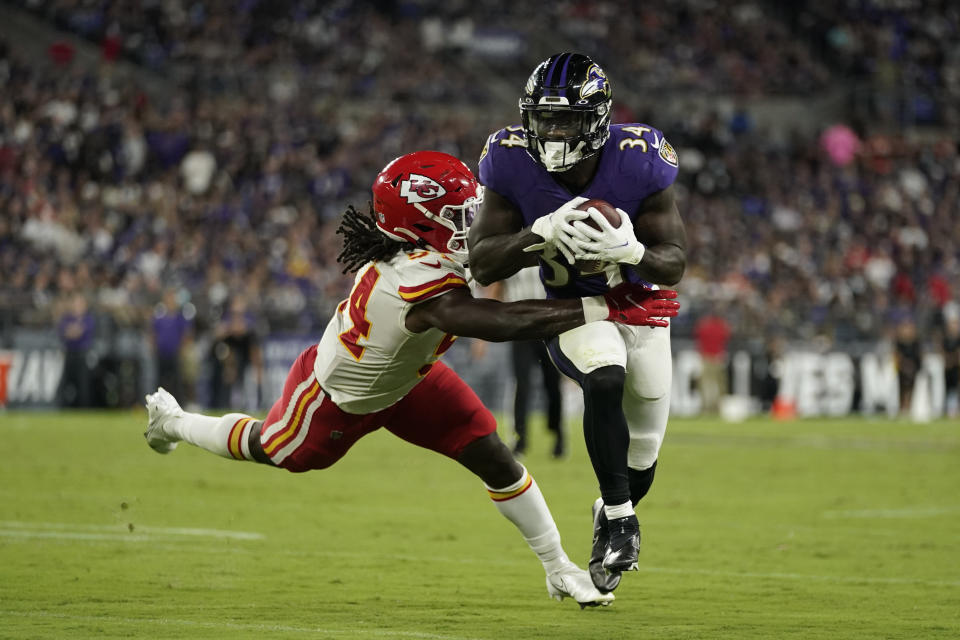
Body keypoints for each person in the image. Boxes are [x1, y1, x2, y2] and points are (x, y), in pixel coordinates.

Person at [144, 150, 680, 608]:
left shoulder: (436, 247)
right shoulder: (414, 274)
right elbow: (495, 323)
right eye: (457, 211)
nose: (473, 214)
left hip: (412, 379)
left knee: (494, 455)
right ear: (420, 223)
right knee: (273, 447)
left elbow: (494, 256)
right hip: (339, 397)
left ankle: (560, 567)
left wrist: (549, 229)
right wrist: (601, 307)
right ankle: (174, 421)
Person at [468, 53, 688, 594]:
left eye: (565, 119)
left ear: (597, 119)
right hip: (575, 306)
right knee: (604, 374)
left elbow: (676, 260)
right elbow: (482, 261)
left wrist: (633, 248)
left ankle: (610, 510)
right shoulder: (509, 158)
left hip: (641, 308)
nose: (552, 132)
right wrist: (535, 235)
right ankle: (619, 518)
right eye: (543, 119)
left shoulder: (639, 157)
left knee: (644, 450)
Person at [487, 267, 565, 458]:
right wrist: (488, 326)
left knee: (552, 383)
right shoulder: (510, 256)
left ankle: (558, 435)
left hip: (548, 326)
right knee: (521, 383)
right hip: (520, 328)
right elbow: (498, 287)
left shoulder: (544, 250)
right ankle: (520, 439)